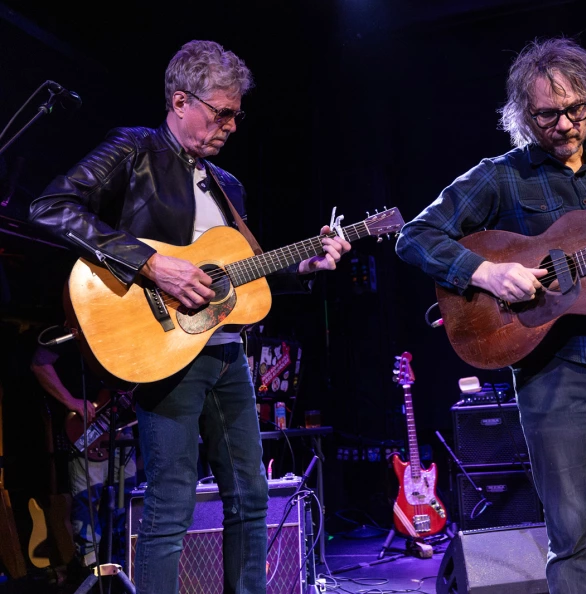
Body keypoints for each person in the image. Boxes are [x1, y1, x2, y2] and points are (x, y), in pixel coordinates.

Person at [28, 40, 351, 593]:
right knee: (170, 503)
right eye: (221, 112)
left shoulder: (228, 186)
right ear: (181, 101)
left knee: (251, 497)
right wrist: (152, 264)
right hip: (165, 349)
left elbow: (242, 272)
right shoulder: (135, 149)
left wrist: (307, 264)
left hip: (227, 354)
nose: (231, 125)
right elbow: (51, 206)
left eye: (236, 114)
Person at [395, 37, 586, 593]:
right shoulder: (501, 175)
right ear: (523, 114)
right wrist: (484, 272)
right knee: (572, 542)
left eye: (576, 109)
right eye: (547, 114)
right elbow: (414, 236)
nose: (565, 124)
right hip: (556, 375)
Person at [30, 338, 138, 571]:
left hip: (122, 425)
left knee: (127, 498)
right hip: (86, 425)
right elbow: (39, 363)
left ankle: (126, 563)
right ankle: (92, 569)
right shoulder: (67, 331)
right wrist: (71, 401)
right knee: (88, 500)